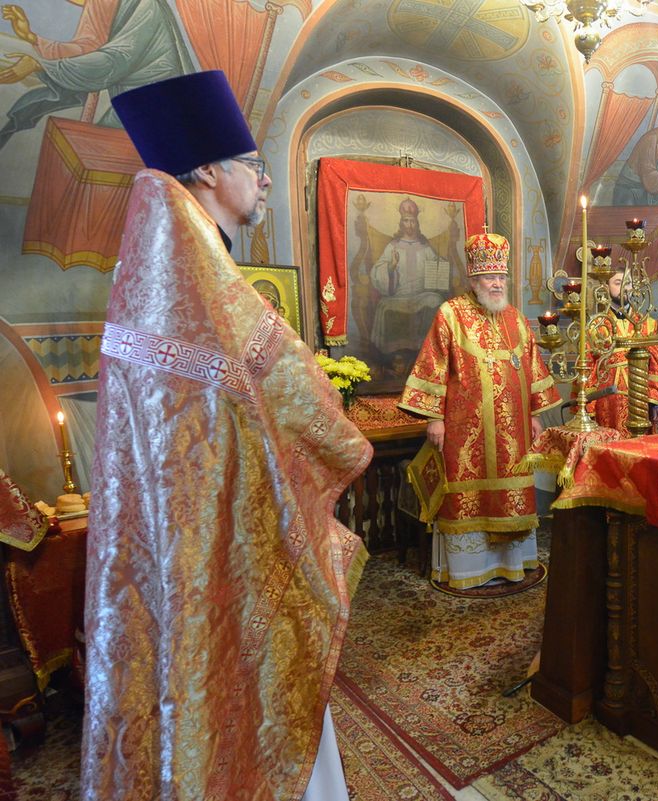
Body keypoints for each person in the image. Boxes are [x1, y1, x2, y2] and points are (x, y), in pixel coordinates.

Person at [85, 71, 370, 800]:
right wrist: (338, 435)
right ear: (209, 171)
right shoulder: (196, 277)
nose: (264, 181)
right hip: (222, 538)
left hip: (188, 538)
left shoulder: (158, 267)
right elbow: (290, 392)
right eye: (254, 166)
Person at [400, 229, 561, 589]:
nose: (497, 283)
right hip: (465, 432)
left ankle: (512, 565)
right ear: (474, 279)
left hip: (514, 433)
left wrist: (535, 414)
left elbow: (532, 368)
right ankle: (468, 571)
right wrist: (435, 418)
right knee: (467, 496)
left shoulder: (515, 318)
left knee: (512, 494)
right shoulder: (450, 315)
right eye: (489, 277)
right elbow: (433, 366)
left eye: (501, 276)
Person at [0, 0, 194, 150]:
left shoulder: (146, 6)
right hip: (129, 101)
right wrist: (31, 37)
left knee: (98, 150)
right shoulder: (99, 3)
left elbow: (112, 61)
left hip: (156, 106)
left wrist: (41, 67)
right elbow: (86, 49)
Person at [588, 267, 658, 434]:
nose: (624, 288)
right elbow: (589, 365)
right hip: (607, 398)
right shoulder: (596, 325)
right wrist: (587, 404)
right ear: (606, 287)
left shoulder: (647, 323)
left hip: (641, 396)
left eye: (627, 283)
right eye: (617, 283)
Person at [368, 196, 444, 357]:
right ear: (401, 223)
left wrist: (440, 264)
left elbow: (438, 266)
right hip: (399, 296)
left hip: (422, 295)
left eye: (412, 221)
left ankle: (428, 348)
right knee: (384, 307)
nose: (409, 225)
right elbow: (377, 271)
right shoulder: (392, 246)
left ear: (417, 223)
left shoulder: (425, 247)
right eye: (406, 221)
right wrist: (391, 266)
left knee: (436, 300)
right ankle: (394, 354)